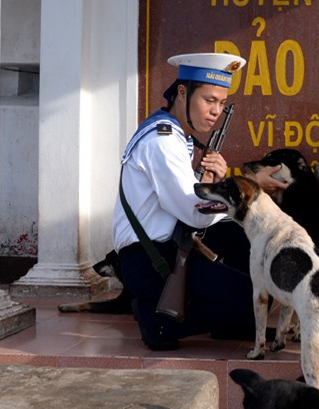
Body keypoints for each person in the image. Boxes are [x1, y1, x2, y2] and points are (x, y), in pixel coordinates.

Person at [112, 52, 288, 350]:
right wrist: (249, 185)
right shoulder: (162, 140)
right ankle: (158, 321)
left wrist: (215, 183)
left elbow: (195, 204)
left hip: (171, 246)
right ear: (183, 92)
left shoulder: (179, 136)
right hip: (149, 260)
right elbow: (194, 213)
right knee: (258, 292)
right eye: (209, 100)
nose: (216, 111)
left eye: (221, 103)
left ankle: (236, 324)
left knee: (249, 238)